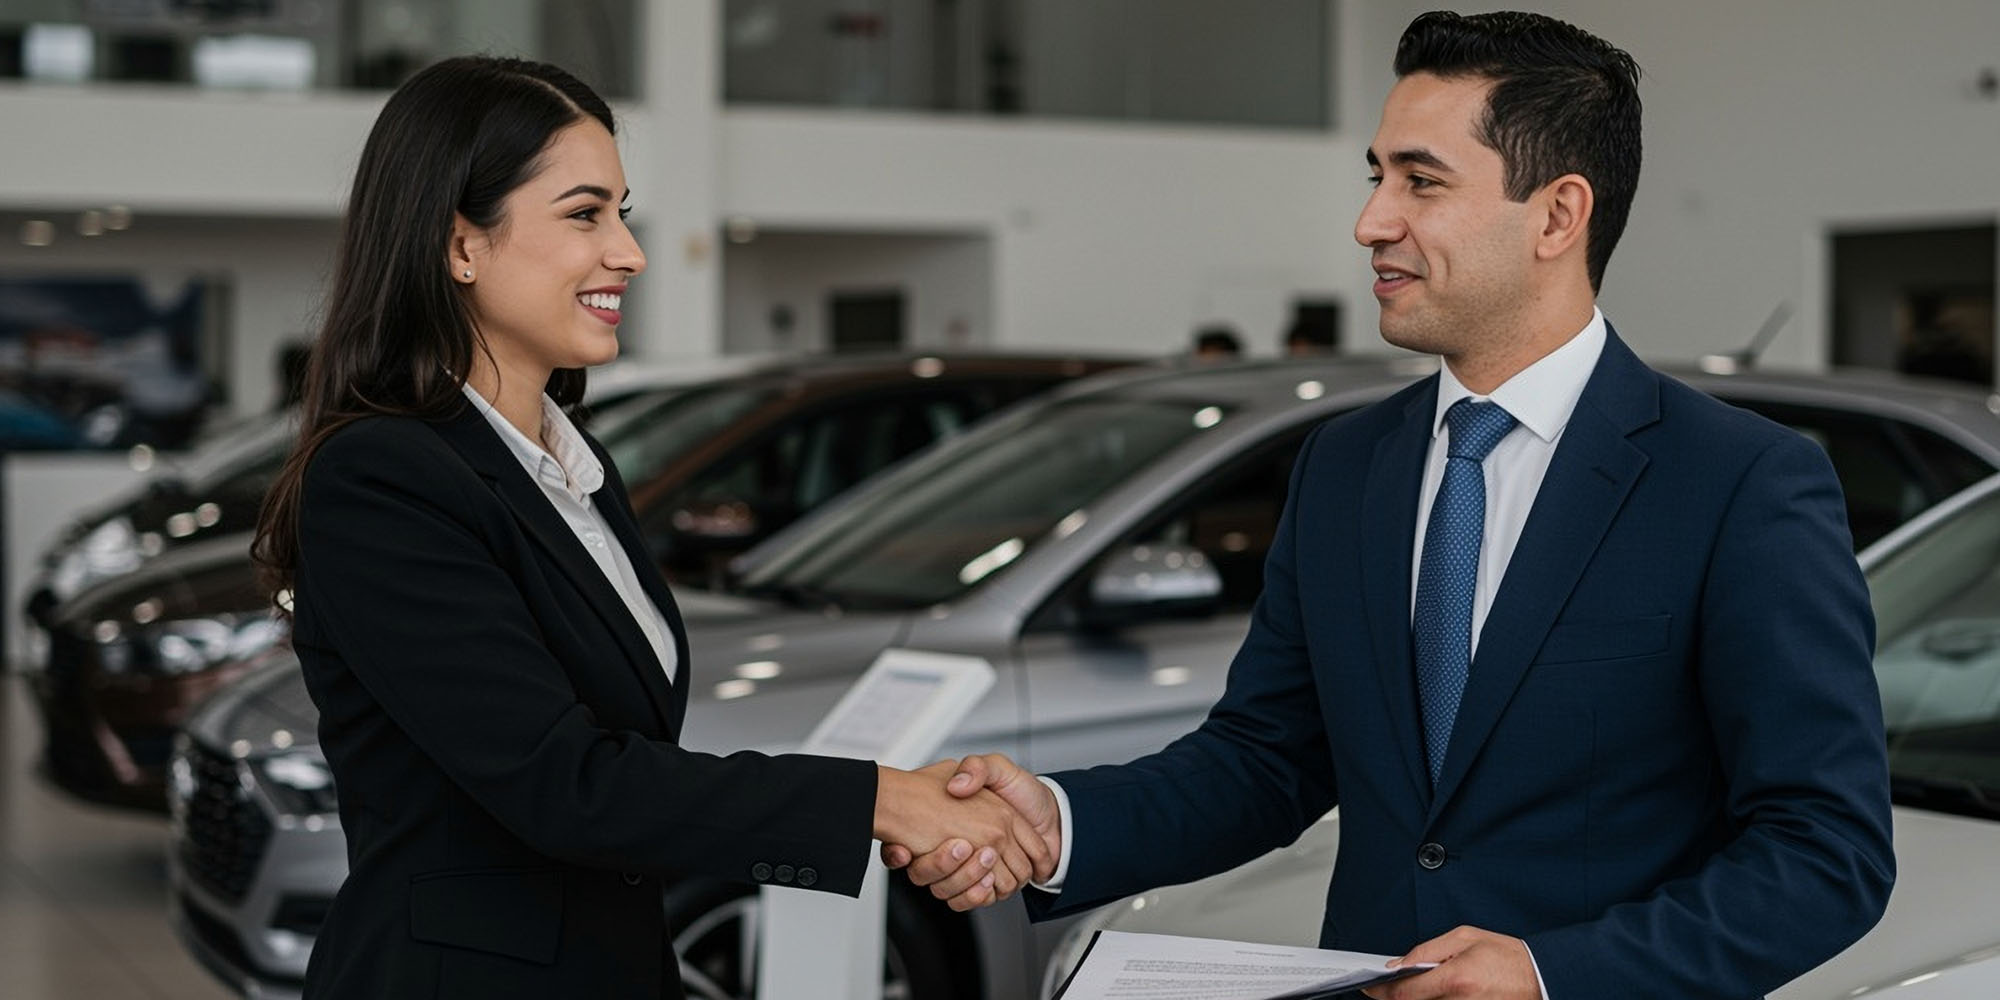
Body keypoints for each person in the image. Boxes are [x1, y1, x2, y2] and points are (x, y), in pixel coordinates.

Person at [887, 11, 1894, 999]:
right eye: (1376, 177)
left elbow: (1824, 849)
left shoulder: (1737, 482)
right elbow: (1263, 760)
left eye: (1420, 181)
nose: (1371, 220)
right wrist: (1056, 820)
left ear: (1556, 214)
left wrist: (1552, 974)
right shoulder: (1345, 463)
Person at [250, 56, 1050, 1000]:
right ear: (460, 244)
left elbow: (627, 772)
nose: (628, 251)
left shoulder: (572, 469)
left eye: (622, 212)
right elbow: (565, 784)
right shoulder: (382, 477)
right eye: (585, 214)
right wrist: (878, 800)